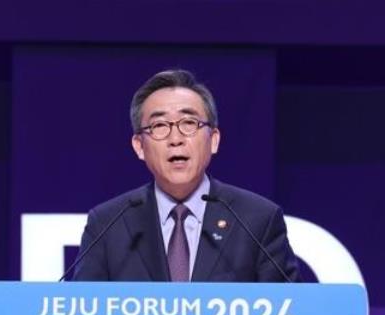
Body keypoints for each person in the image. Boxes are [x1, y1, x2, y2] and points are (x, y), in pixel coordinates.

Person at [73, 69, 300, 282]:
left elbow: (292, 312)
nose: (175, 139)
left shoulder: (258, 219)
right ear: (139, 146)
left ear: (213, 140)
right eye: (159, 125)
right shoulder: (107, 224)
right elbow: (81, 313)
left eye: (189, 123)